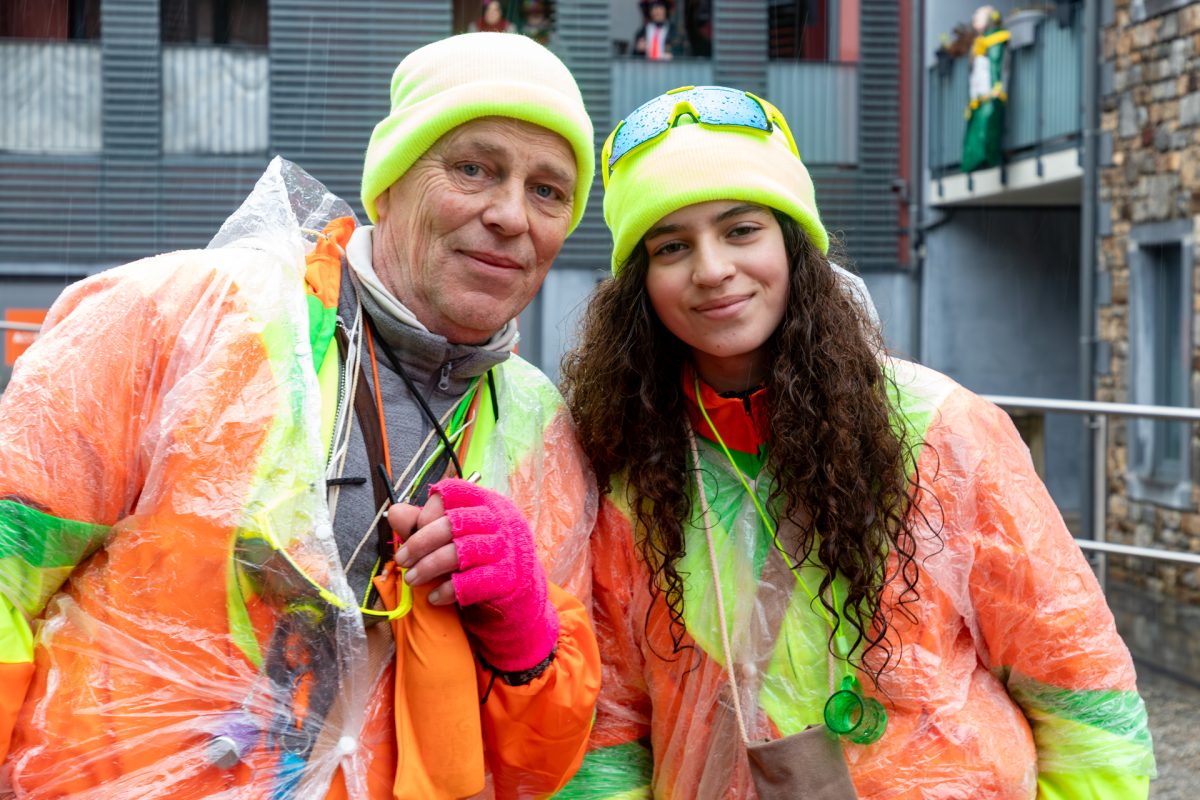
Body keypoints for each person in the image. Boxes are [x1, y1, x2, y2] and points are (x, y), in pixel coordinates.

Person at [0, 33, 600, 799]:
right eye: (474, 168)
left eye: (548, 190)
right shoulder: (186, 314)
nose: (511, 215)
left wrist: (526, 639)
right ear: (389, 184)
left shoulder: (540, 428)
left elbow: (538, 768)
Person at [556, 85, 1156, 798]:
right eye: (671, 246)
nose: (712, 268)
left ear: (793, 243)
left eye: (741, 229)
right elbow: (609, 727)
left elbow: (1079, 684)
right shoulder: (628, 467)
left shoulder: (943, 430)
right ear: (640, 283)